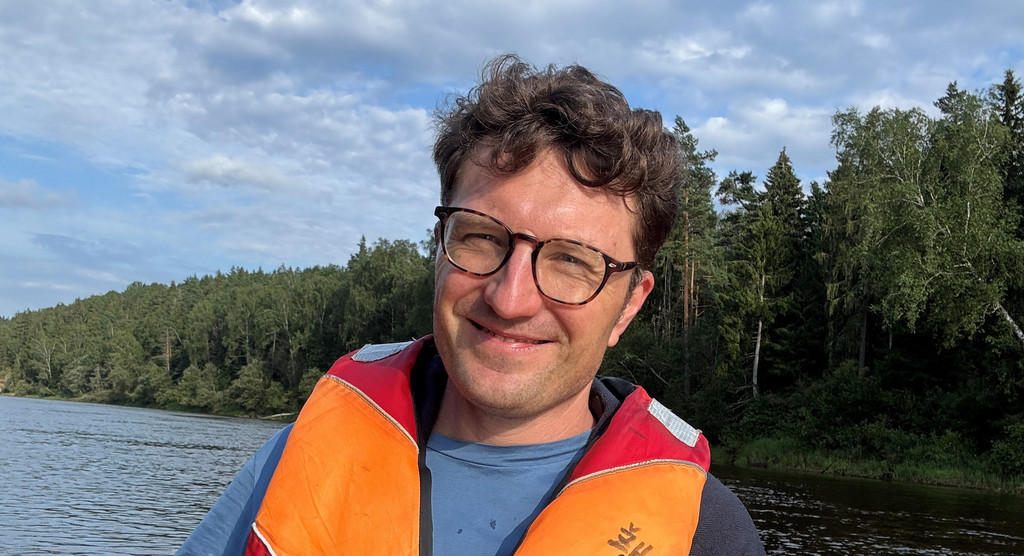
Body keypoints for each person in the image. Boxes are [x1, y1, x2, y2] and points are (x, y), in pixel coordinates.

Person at [177, 54, 766, 556]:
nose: (510, 299)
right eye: (482, 237)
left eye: (571, 261)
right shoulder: (299, 460)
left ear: (630, 304)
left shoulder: (706, 534)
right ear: (440, 247)